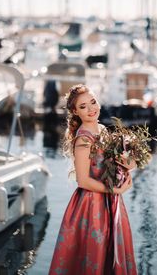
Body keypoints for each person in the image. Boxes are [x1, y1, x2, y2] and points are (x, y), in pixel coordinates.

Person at [48, 84, 137, 275]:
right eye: (83, 106)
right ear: (75, 111)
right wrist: (116, 190)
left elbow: (123, 163)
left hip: (111, 201)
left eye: (93, 102)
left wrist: (129, 163)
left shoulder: (104, 130)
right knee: (93, 256)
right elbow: (83, 181)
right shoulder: (83, 140)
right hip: (91, 205)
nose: (91, 109)